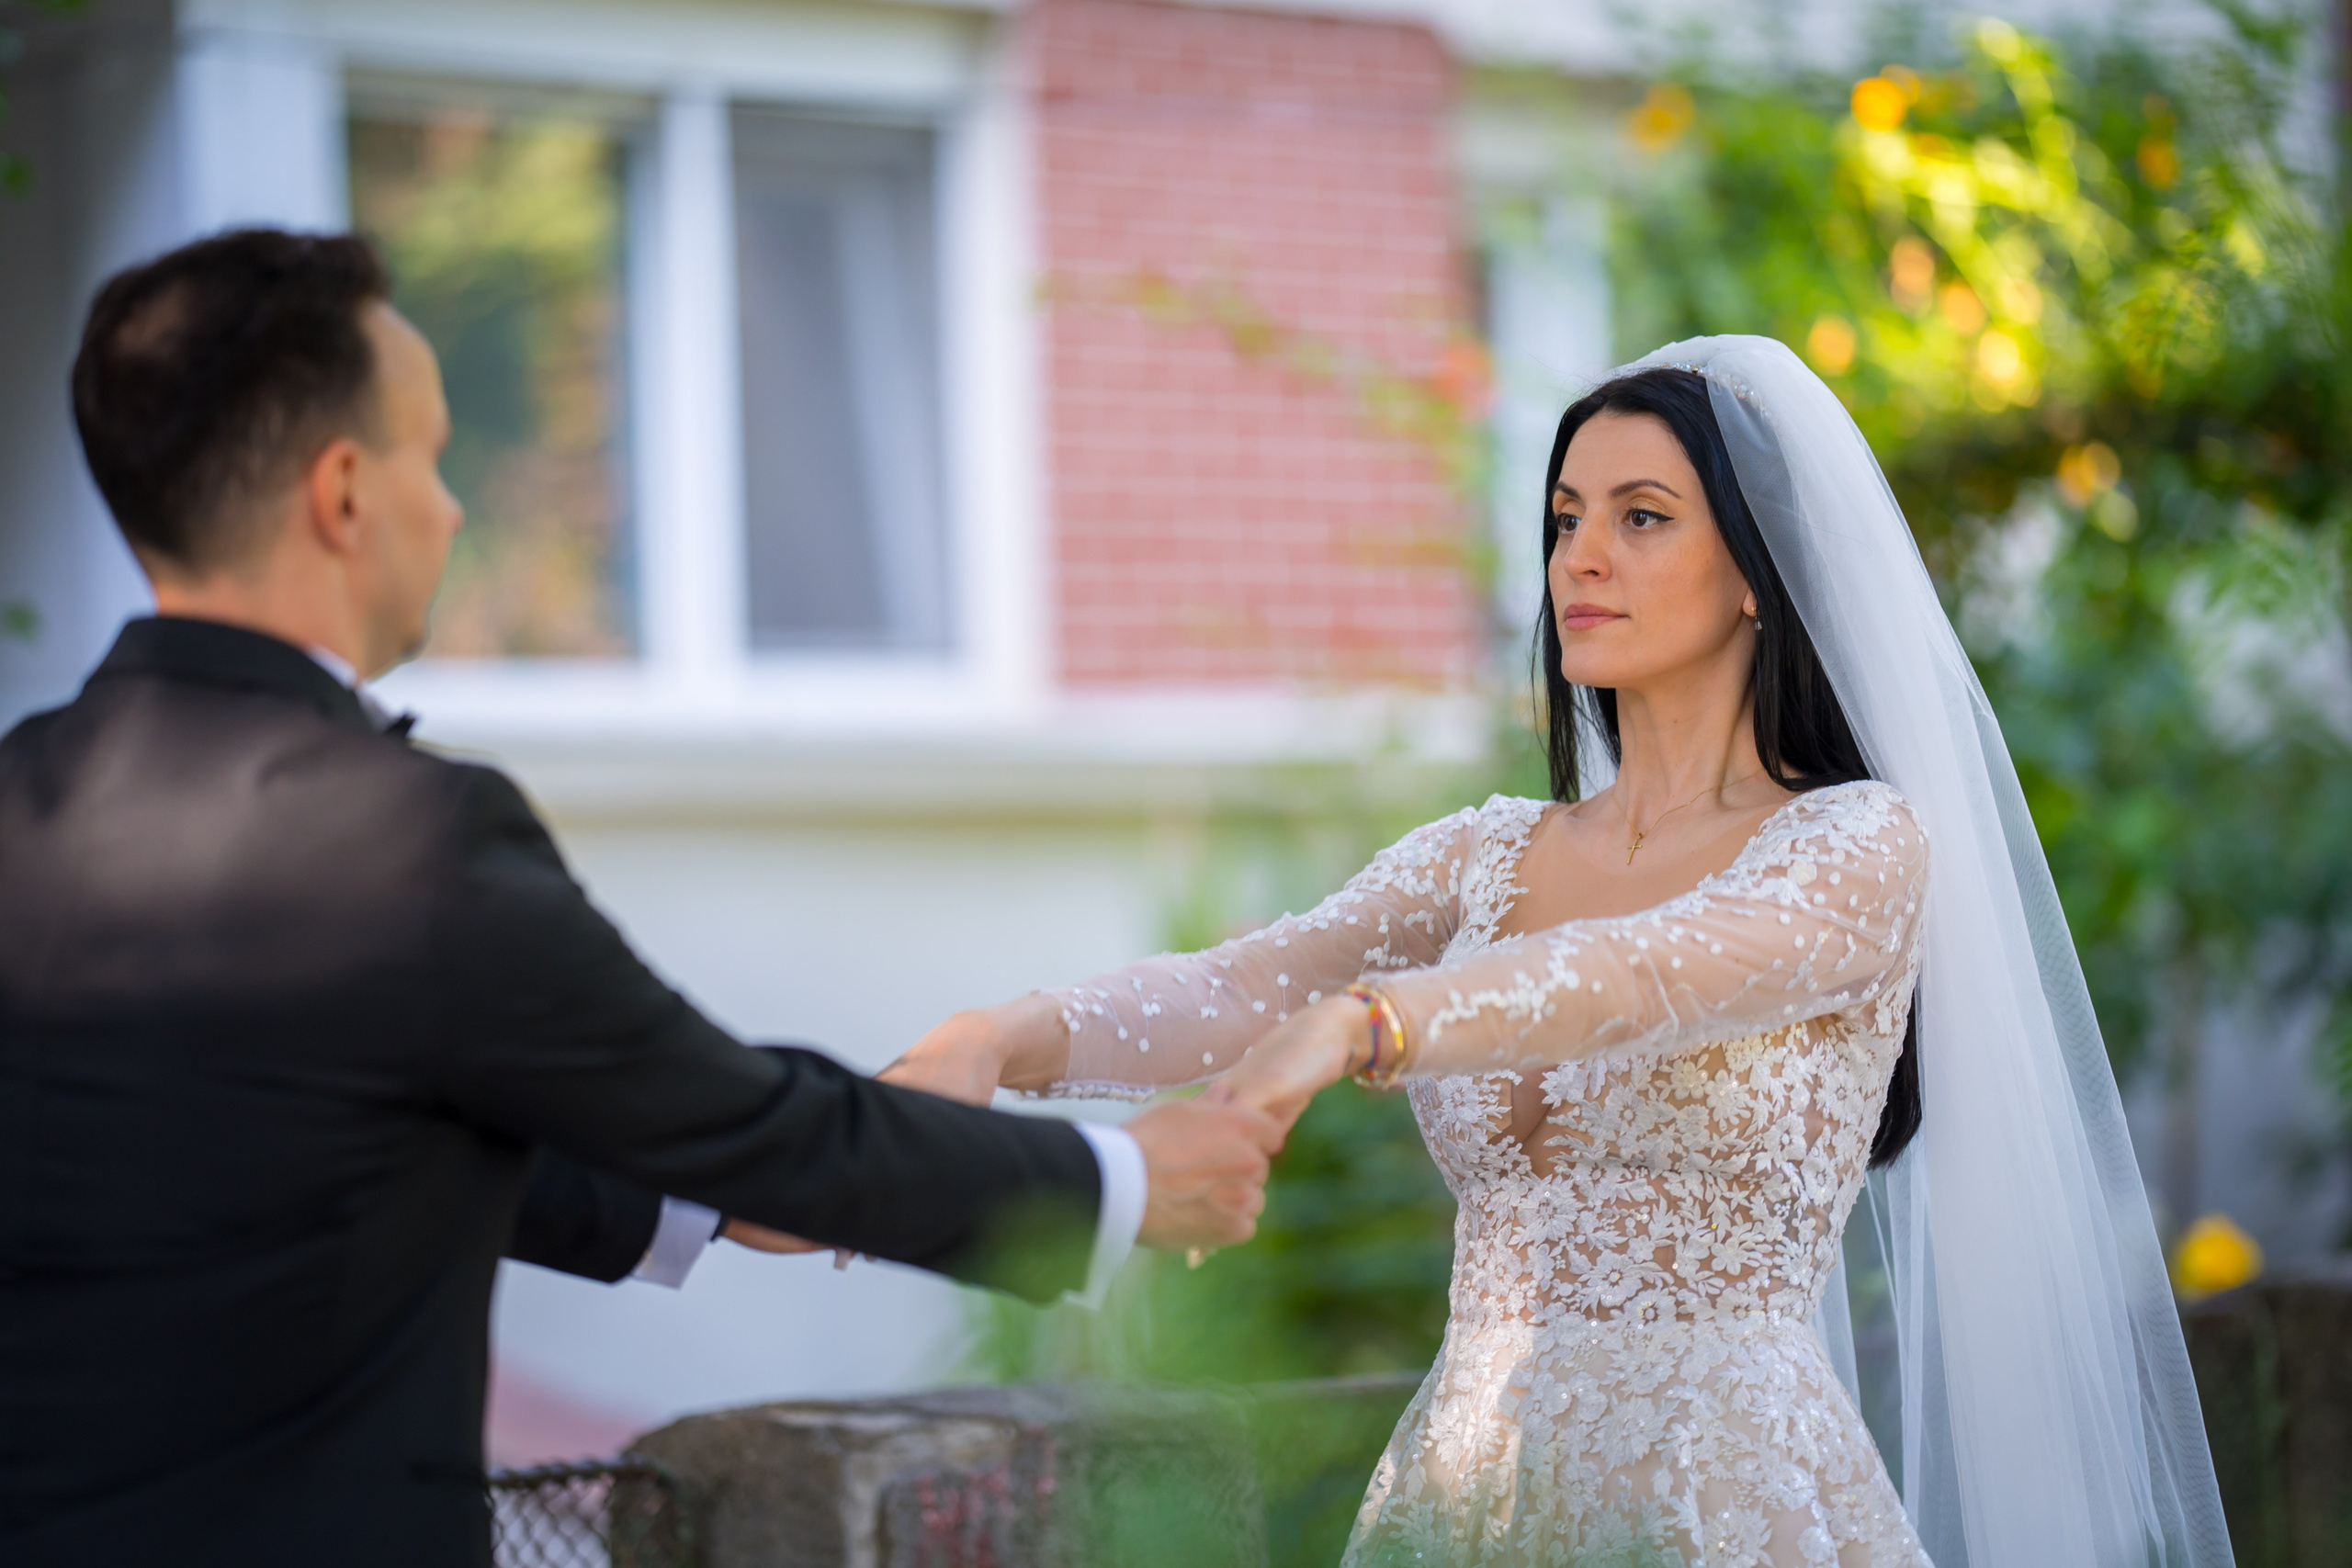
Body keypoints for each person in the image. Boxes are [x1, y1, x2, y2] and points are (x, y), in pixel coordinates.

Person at [0, 228, 1283, 1568]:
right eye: (430, 458)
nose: (451, 508)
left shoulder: (24, 801)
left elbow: (330, 1137)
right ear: (341, 493)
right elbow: (733, 1118)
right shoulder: (398, 837)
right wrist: (1120, 1180)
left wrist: (721, 1201)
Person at [887, 340, 2234, 1564]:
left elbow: (1647, 975)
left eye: (1642, 520)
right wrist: (1004, 1038)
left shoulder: (1857, 847)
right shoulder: (1486, 853)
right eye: (1564, 520)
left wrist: (1374, 1025)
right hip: (1466, 1491)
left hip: (1728, 1494)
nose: (1581, 558)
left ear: (1759, 574)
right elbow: (1239, 983)